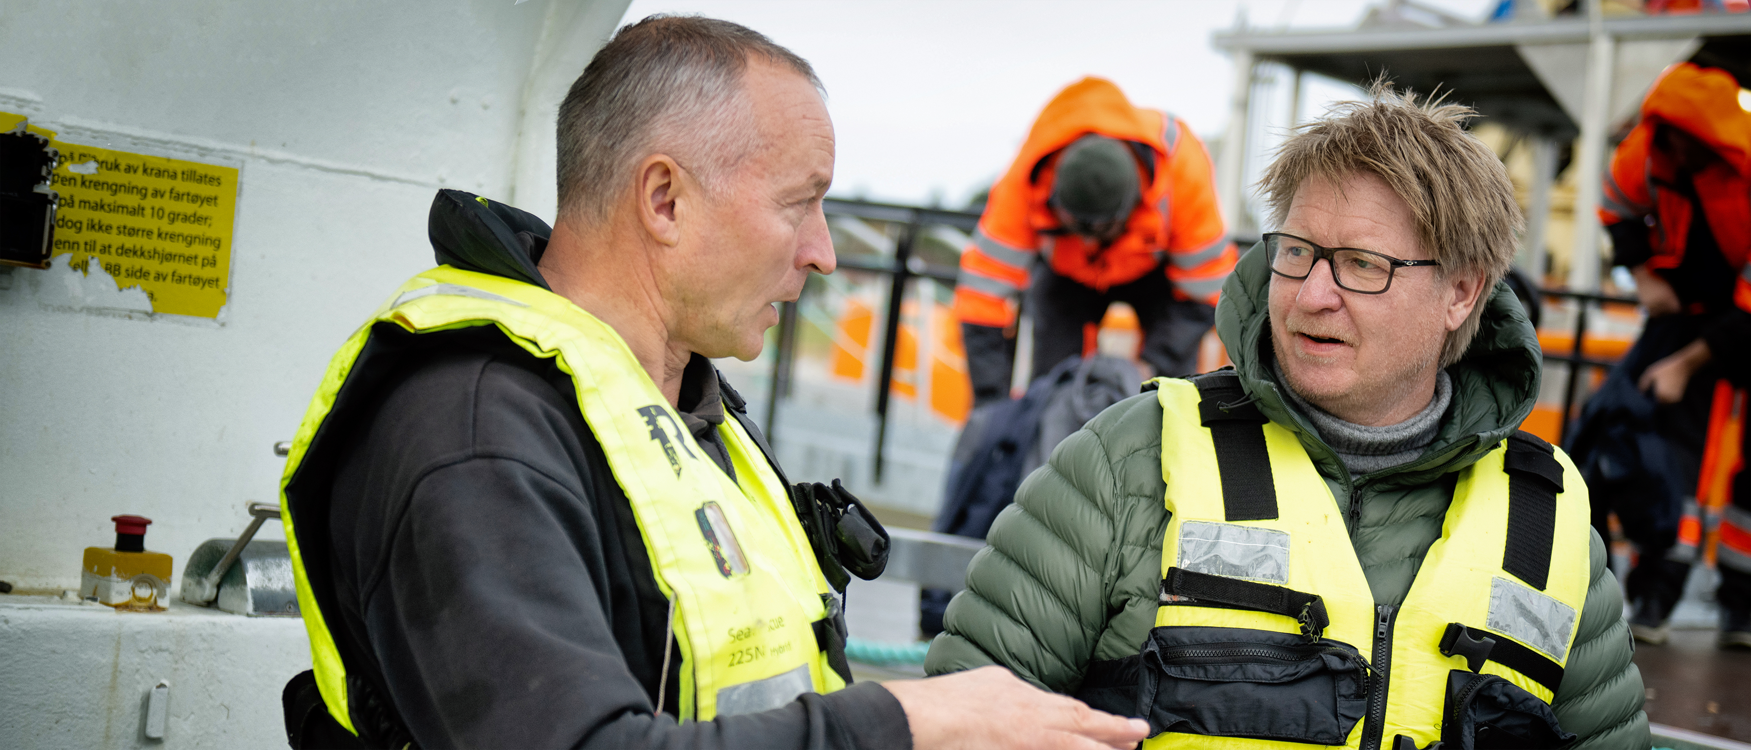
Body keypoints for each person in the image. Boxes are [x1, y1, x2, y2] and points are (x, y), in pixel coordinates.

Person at [274, 15, 1150, 750]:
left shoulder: (690, 416)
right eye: (798, 202)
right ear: (664, 199)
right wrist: (907, 723)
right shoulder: (470, 431)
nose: (824, 251)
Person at [926, 86, 1648, 749]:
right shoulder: (1127, 463)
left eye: (1363, 265)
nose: (1310, 296)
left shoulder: (1548, 528)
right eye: (1297, 253)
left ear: (1460, 292)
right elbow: (957, 717)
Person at [953, 77, 1236, 405]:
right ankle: (1052, 435)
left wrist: (1154, 363)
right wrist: (992, 408)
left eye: (1099, 231)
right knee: (1053, 386)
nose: (1088, 241)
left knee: (1164, 391)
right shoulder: (1026, 176)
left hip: (1159, 279)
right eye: (1076, 227)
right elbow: (981, 300)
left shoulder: (1183, 167)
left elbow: (1205, 292)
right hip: (1066, 276)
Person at [1595, 61, 1751, 649]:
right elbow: (1617, 205)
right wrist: (1641, 276)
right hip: (1688, 307)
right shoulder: (1649, 147)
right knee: (1659, 450)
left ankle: (1744, 608)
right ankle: (1654, 595)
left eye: (1689, 144)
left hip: (1740, 313)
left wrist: (1685, 365)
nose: (1675, 152)